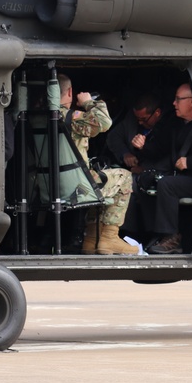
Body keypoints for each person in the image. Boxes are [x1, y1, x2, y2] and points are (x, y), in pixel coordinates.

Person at [57, 74, 137, 256]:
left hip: (48, 184)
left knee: (97, 178)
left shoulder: (36, 117)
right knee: (124, 177)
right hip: (76, 186)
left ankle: (92, 239)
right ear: (70, 92)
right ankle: (108, 237)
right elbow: (104, 122)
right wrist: (89, 103)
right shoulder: (70, 118)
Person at [147, 83, 192, 255]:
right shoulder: (176, 125)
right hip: (181, 176)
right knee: (147, 180)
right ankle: (152, 234)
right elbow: (159, 150)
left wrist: (191, 162)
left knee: (168, 184)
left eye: (179, 99)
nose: (174, 103)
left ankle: (171, 237)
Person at [106, 92, 173, 174]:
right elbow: (113, 136)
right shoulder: (133, 119)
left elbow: (168, 156)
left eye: (144, 119)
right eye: (138, 119)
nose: (140, 123)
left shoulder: (170, 126)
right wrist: (125, 153)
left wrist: (146, 170)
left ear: (157, 113)